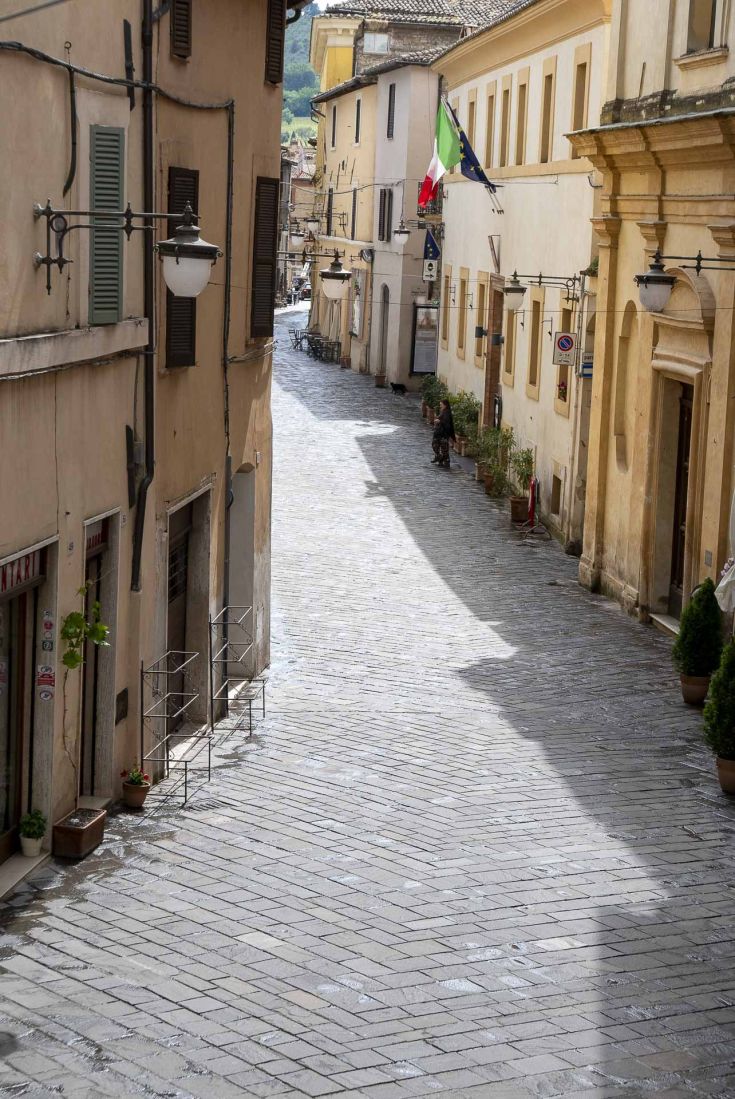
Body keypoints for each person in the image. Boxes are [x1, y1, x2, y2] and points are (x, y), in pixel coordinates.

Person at [432, 398, 455, 468]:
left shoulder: (447, 413)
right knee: (436, 445)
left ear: (445, 405)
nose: (440, 406)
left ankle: (444, 461)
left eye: (441, 404)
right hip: (439, 433)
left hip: (443, 434)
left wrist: (439, 421)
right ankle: (440, 459)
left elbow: (447, 423)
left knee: (444, 448)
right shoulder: (443, 411)